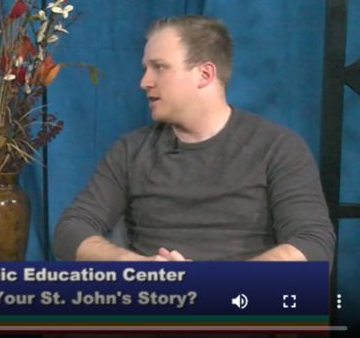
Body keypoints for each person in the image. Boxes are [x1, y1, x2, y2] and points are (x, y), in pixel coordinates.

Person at [54, 15, 335, 263]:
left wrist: (219, 289)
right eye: (145, 69)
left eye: (159, 67)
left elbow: (313, 244)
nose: (144, 82)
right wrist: (134, 266)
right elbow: (71, 229)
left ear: (205, 74)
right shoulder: (131, 150)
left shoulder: (278, 147)